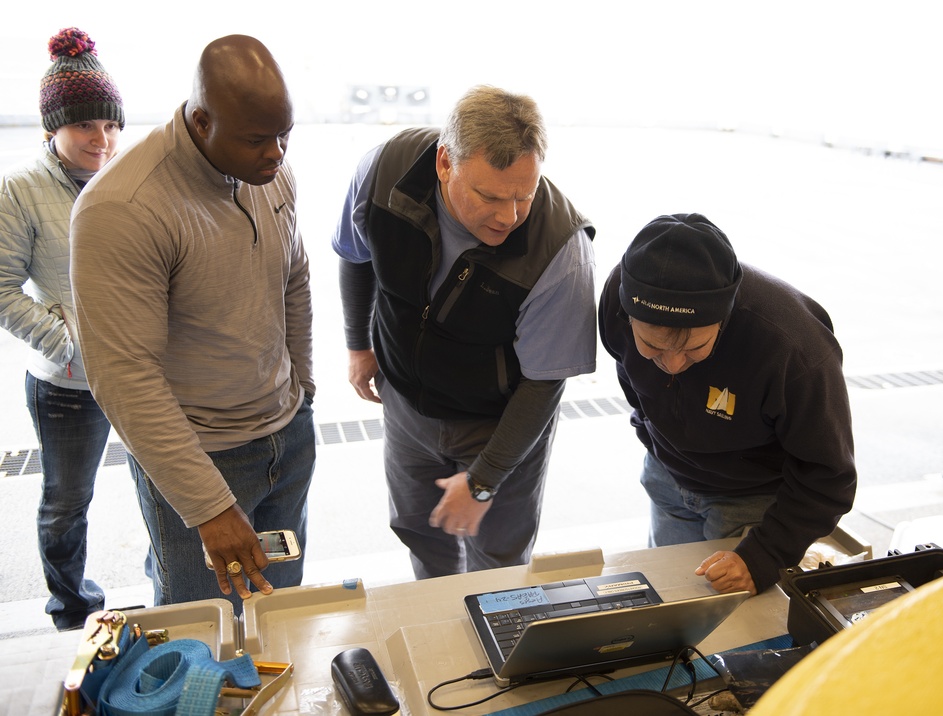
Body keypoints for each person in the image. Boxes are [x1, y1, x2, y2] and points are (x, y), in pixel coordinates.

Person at [69, 35, 315, 613]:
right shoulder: (124, 206)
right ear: (202, 121)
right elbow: (124, 377)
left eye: (285, 135)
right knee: (202, 630)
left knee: (282, 616)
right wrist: (207, 505)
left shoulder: (269, 173)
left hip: (286, 433)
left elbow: (294, 280)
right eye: (257, 139)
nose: (277, 154)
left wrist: (302, 392)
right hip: (203, 456)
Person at [333, 85, 597, 579]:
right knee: (421, 535)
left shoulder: (560, 250)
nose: (509, 216)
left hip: (499, 421)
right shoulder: (383, 172)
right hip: (407, 405)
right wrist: (358, 344)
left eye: (524, 195)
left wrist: (484, 481)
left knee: (497, 561)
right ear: (443, 164)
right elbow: (356, 253)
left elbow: (543, 385)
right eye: (490, 197)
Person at [598, 213, 857, 596]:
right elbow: (630, 374)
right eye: (652, 346)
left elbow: (829, 475)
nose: (671, 364)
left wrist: (764, 554)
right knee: (670, 603)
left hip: (753, 503)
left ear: (725, 318)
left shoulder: (794, 350)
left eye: (693, 349)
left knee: (735, 627)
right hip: (668, 480)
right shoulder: (617, 296)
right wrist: (651, 434)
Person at [0, 27, 125, 631]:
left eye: (110, 125)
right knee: (66, 502)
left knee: (175, 489)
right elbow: (1, 287)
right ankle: (72, 608)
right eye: (85, 127)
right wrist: (66, 342)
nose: (101, 141)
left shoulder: (133, 178)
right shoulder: (19, 189)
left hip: (145, 373)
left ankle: (175, 590)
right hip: (68, 385)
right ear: (53, 127)